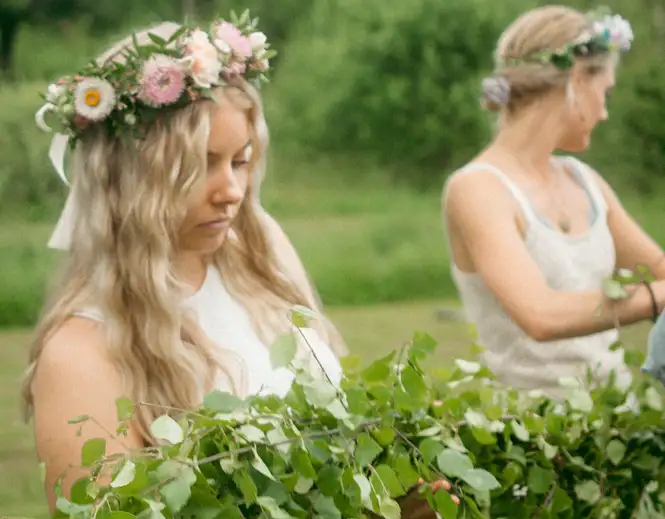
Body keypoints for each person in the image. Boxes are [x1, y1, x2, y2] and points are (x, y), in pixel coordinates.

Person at [21, 16, 454, 517]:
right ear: (130, 178)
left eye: (240, 161)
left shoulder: (260, 253)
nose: (231, 191)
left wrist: (396, 496)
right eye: (200, 166)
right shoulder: (82, 353)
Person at [442, 6, 665, 399]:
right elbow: (541, 315)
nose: (606, 112)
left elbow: (659, 267)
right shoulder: (478, 190)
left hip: (621, 423)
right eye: (605, 92)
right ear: (578, 79)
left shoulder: (584, 181)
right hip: (532, 438)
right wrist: (655, 298)